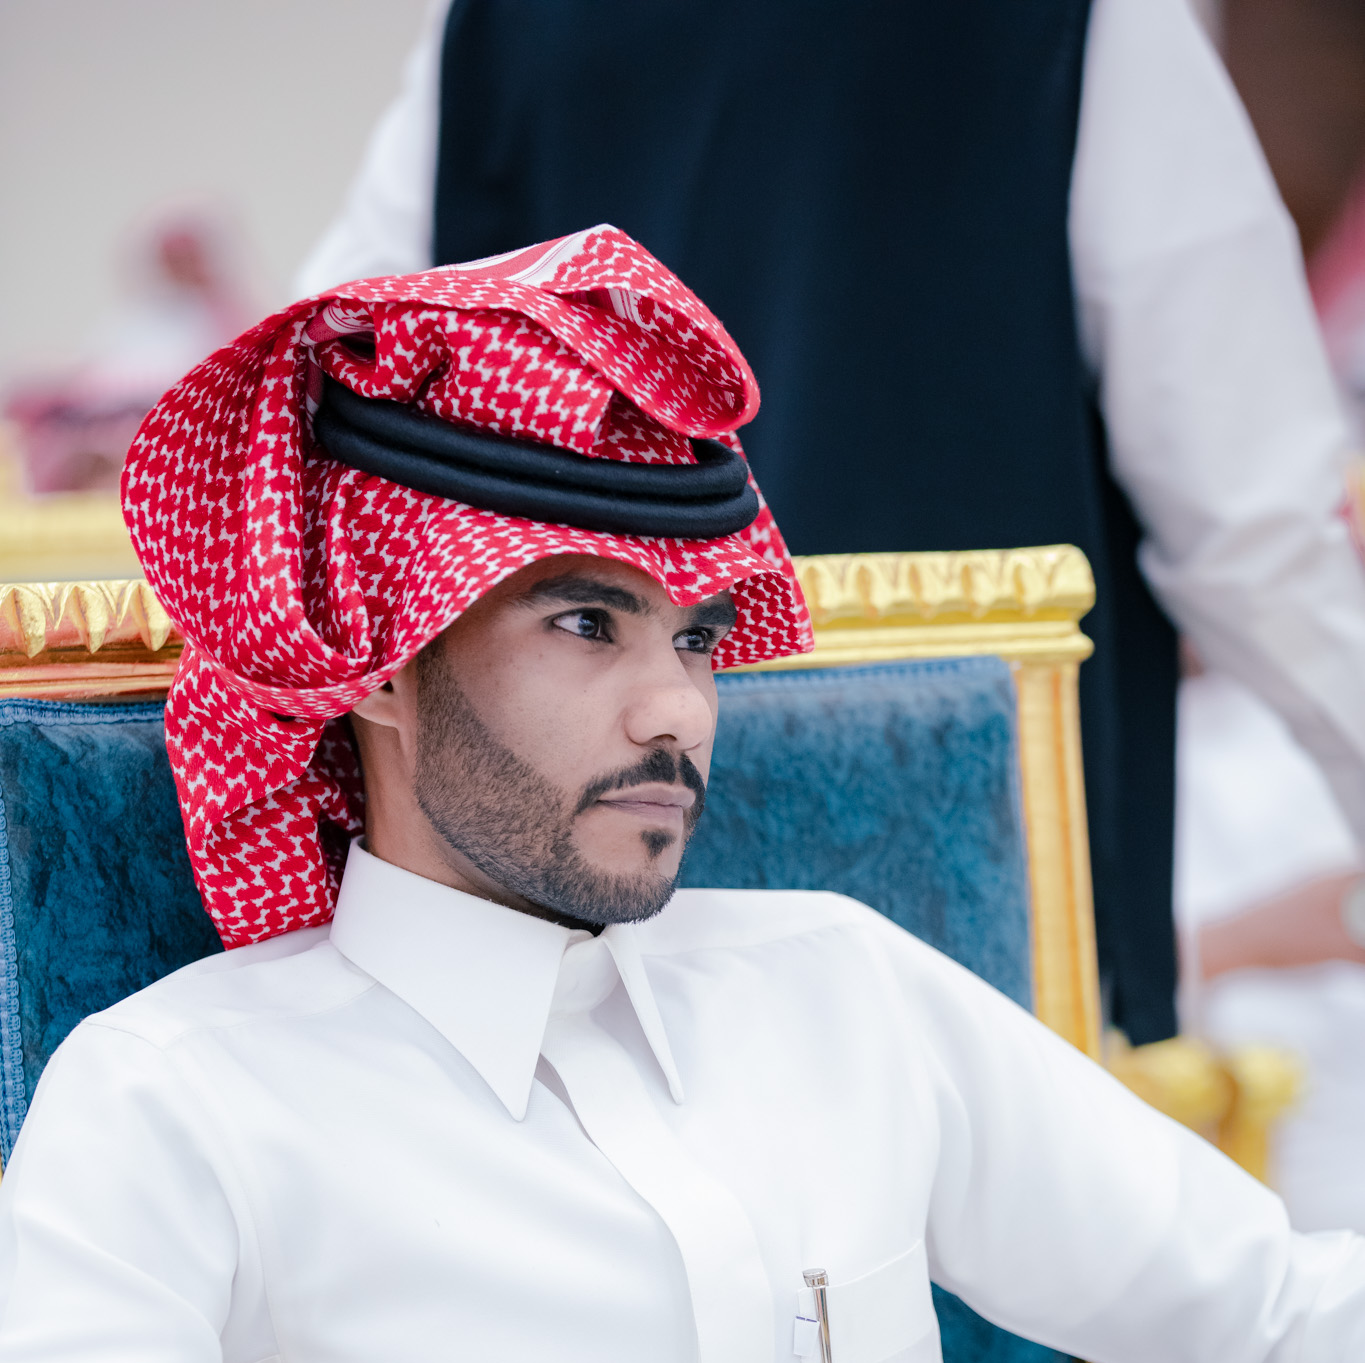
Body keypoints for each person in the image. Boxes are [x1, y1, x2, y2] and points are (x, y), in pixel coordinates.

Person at [1, 231, 1363, 1363]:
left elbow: (1270, 1308)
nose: (677, 711)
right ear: (382, 659)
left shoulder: (833, 980)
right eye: (586, 625)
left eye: (694, 636)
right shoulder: (189, 1091)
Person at [296, 0, 1365, 1054]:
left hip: (562, 867)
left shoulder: (500, 22)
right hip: (954, 841)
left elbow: (325, 399)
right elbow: (1254, 527)